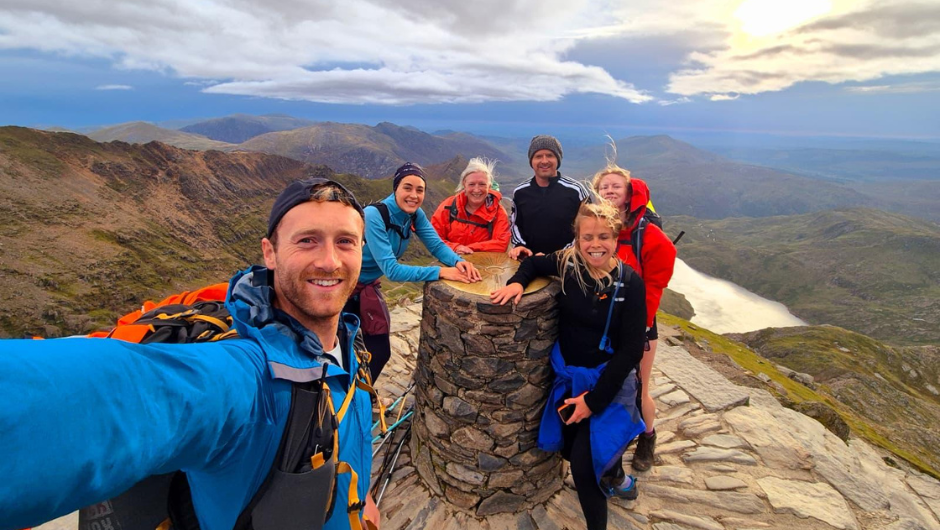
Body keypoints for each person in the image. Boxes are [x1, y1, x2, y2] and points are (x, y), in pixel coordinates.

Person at [0, 178, 379, 530]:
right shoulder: (245, 378)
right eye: (307, 241)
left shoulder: (349, 342)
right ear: (271, 253)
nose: (329, 261)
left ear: (362, 250)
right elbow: (114, 392)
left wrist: (360, 500)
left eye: (345, 241)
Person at [491, 202, 647, 530]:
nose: (595, 244)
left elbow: (632, 349)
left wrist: (593, 401)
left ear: (616, 237)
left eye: (603, 236)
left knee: (583, 466)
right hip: (569, 380)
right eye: (587, 236)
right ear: (576, 238)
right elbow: (533, 265)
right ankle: (616, 473)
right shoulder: (567, 264)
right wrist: (518, 282)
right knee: (571, 451)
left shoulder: (630, 284)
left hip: (607, 385)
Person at [350, 162, 481, 381]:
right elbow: (391, 271)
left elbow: (436, 245)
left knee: (379, 351)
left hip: (366, 289)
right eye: (407, 187)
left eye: (419, 190)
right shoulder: (374, 216)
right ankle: (341, 404)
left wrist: (458, 262)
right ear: (395, 189)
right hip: (343, 288)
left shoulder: (414, 215)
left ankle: (361, 397)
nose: (414, 195)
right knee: (341, 351)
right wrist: (440, 272)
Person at [593, 164, 676, 472]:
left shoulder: (646, 235)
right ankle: (612, 439)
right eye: (604, 188)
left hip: (637, 325)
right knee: (607, 383)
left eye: (616, 186)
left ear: (629, 194)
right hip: (604, 320)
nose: (609, 191)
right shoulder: (602, 228)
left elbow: (655, 283)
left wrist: (640, 325)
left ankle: (647, 437)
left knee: (638, 387)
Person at [509, 135, 588, 260]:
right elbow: (515, 224)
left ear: (558, 159)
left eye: (550, 155)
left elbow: (588, 227)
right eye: (538, 156)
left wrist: (561, 255)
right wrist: (519, 245)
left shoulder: (576, 190)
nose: (544, 161)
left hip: (568, 261)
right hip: (529, 260)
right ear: (531, 161)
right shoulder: (520, 192)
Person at [430, 157, 511, 254]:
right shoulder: (448, 206)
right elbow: (433, 238)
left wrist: (469, 249)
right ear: (464, 184)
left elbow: (501, 244)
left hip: (484, 266)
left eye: (482, 184)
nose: (476, 190)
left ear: (489, 186)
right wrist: (456, 248)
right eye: (472, 184)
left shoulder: (498, 212)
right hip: (451, 263)